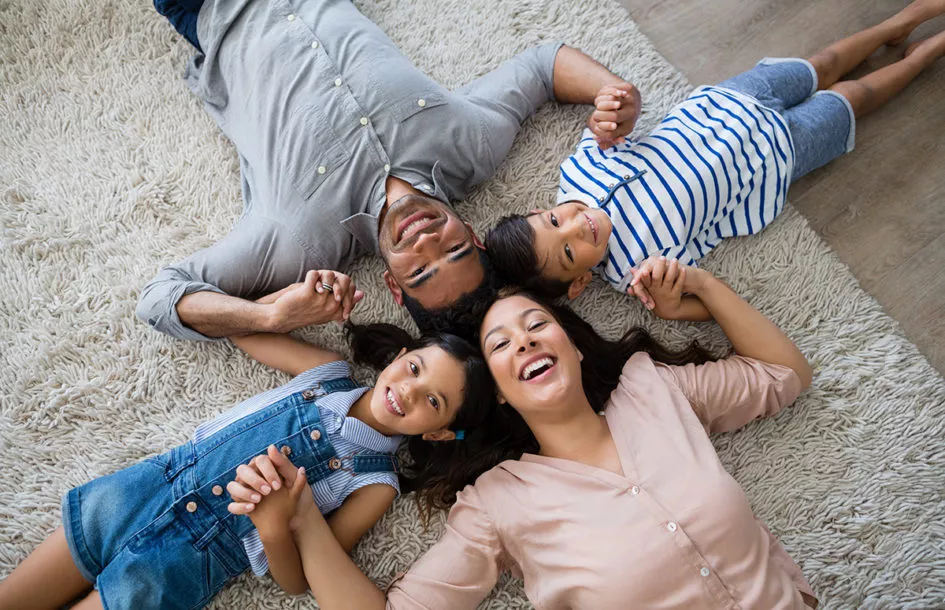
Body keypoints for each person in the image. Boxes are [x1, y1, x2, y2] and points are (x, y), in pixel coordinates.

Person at [226, 254, 819, 609]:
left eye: (537, 324)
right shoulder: (497, 504)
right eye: (501, 344)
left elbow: (784, 374)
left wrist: (704, 289)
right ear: (503, 393)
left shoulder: (654, 390)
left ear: (573, 347)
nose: (526, 340)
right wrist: (302, 519)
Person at [138, 0, 642, 341]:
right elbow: (544, 65)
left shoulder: (299, 241)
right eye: (455, 248)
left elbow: (163, 297)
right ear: (475, 234)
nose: (426, 241)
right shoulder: (472, 145)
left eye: (421, 269)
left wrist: (268, 315)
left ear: (393, 286)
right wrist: (616, 93)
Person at [484, 0, 945, 317]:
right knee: (853, 97)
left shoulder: (579, 172)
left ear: (542, 208)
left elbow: (614, 121)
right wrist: (673, 307)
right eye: (569, 251)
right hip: (772, 159)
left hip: (726, 105)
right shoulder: (635, 272)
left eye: (552, 219)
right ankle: (922, 58)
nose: (574, 225)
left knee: (820, 64)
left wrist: (611, 113)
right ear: (580, 282)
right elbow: (708, 301)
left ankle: (896, 25)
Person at [0, 318, 495, 610]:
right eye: (414, 368)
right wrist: (295, 303)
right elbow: (243, 329)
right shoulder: (326, 372)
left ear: (437, 433)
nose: (408, 390)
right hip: (142, 489)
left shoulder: (375, 483)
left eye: (433, 402)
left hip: (183, 562)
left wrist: (275, 523)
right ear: (400, 355)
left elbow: (297, 582)